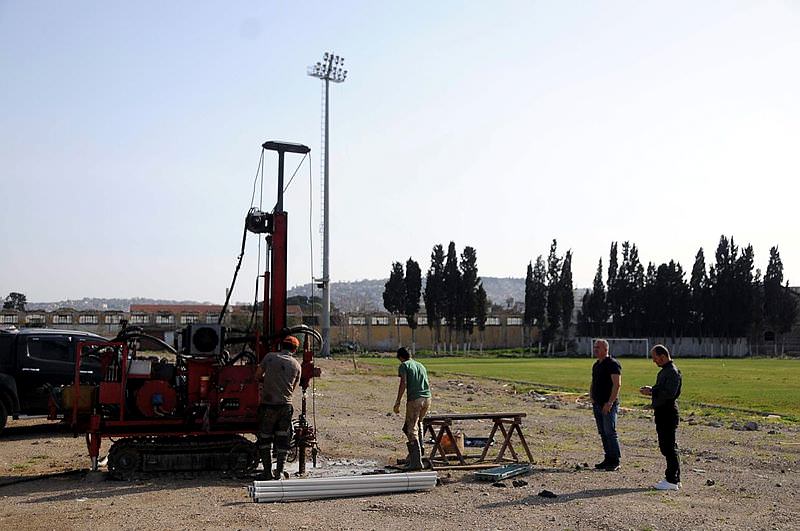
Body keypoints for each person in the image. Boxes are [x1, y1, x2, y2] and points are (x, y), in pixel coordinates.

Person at [254, 335, 302, 480]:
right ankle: (279, 472)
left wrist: (268, 382)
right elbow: (293, 389)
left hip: (268, 405)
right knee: (283, 439)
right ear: (294, 349)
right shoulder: (296, 365)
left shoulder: (269, 357)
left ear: (281, 345)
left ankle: (267, 472)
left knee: (265, 438)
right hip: (285, 407)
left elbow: (257, 376)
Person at [640, 344, 683, 491]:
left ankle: (671, 480)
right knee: (669, 447)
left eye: (655, 358)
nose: (654, 361)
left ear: (663, 356)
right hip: (663, 412)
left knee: (668, 447)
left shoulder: (672, 372)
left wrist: (652, 391)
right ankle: (675, 478)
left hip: (668, 413)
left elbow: (670, 393)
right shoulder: (666, 371)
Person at [392, 347, 431, 471]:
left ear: (401, 357)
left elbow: (403, 382)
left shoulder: (404, 365)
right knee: (417, 424)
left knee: (411, 428)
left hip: (415, 399)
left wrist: (398, 401)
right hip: (427, 398)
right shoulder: (420, 365)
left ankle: (415, 461)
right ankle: (419, 451)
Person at [590, 338, 622, 471]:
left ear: (605, 349)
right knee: (602, 432)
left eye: (598, 347)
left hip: (608, 404)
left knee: (610, 432)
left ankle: (615, 460)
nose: (595, 350)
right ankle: (607, 458)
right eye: (595, 347)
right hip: (597, 403)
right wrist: (591, 395)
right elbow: (593, 381)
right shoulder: (596, 364)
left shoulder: (613, 364)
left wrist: (610, 402)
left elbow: (617, 384)